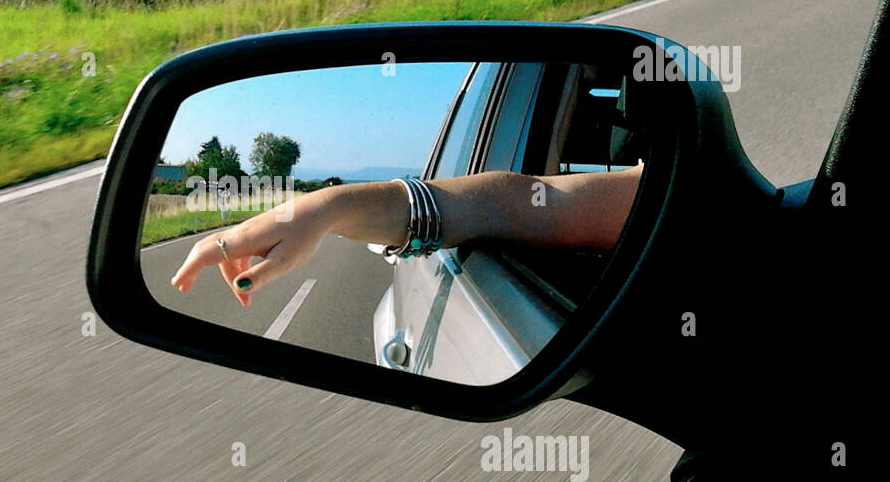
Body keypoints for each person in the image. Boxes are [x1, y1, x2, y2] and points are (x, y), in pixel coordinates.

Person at [170, 167, 643, 309]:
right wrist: (322, 209)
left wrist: (325, 209)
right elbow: (528, 199)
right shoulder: (674, 183)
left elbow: (539, 199)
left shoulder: (684, 178)